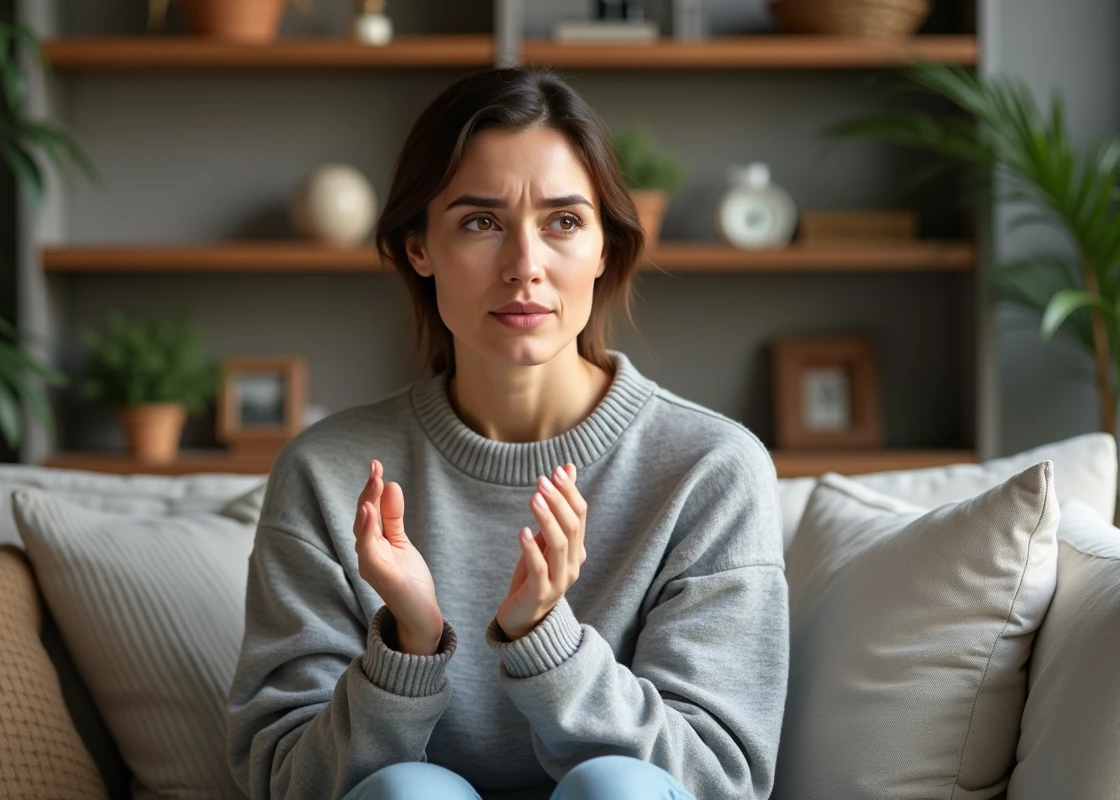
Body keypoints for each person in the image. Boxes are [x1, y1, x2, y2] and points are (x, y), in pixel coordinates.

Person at [226, 67, 789, 800]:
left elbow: (719, 780)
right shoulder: (326, 473)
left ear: (606, 251)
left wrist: (545, 638)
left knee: (616, 788)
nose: (525, 268)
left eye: (563, 222)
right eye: (480, 222)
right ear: (417, 248)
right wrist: (409, 642)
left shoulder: (710, 470)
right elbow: (285, 780)